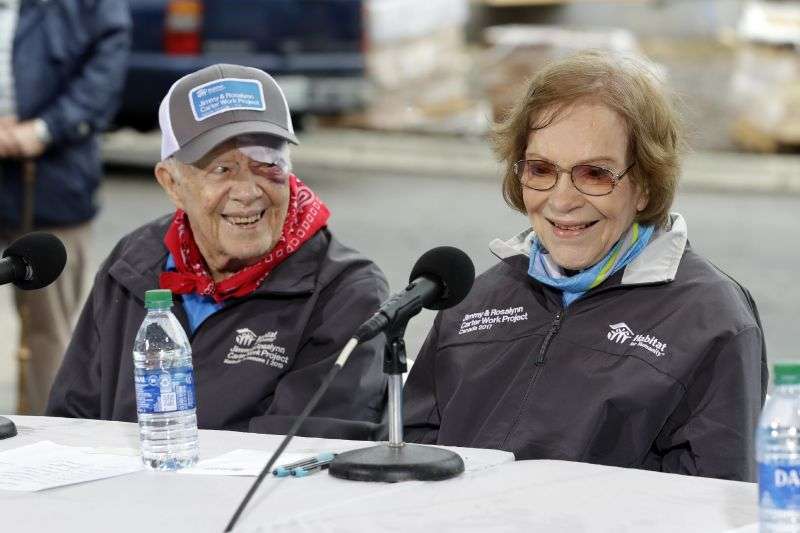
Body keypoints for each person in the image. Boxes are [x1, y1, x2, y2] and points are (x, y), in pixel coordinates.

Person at [403, 51, 767, 481]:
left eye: (594, 174)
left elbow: (714, 506)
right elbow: (410, 466)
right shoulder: (470, 302)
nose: (562, 200)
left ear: (646, 186)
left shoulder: (712, 321)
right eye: (541, 169)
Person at [46, 64, 388, 439]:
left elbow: (302, 455)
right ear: (172, 183)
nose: (247, 191)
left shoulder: (345, 292)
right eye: (222, 168)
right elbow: (72, 420)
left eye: (267, 163)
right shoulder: (134, 264)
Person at [0, 0, 131, 414]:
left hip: (52, 183)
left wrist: (42, 130)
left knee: (47, 331)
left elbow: (101, 79)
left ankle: (42, 445)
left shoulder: (93, 7)